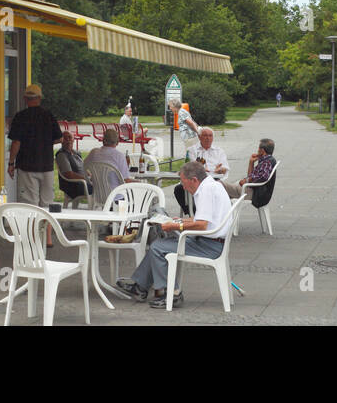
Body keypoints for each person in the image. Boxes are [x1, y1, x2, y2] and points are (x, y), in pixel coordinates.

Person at [114, 160, 232, 308]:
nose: (183, 186)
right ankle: (140, 287)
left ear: (194, 180)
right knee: (161, 243)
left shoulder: (205, 191)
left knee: (158, 247)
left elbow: (202, 225)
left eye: (184, 182)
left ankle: (172, 294)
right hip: (212, 241)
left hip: (210, 245)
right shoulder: (211, 185)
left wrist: (176, 226)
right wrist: (181, 220)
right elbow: (205, 219)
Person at [7, 84, 63, 234]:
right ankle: (48, 238)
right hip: (46, 166)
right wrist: (44, 141)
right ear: (39, 98)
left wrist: (11, 162)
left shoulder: (20, 117)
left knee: (30, 204)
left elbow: (16, 142)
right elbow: (59, 138)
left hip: (27, 166)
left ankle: (32, 236)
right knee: (47, 203)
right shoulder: (48, 115)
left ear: (25, 99)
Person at [174, 127, 228, 214]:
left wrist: (221, 169)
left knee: (215, 188)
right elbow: (191, 168)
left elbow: (225, 168)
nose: (208, 138)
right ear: (199, 137)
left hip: (213, 181)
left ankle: (207, 213)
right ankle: (193, 213)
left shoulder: (219, 151)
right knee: (179, 189)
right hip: (195, 180)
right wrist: (212, 169)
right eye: (205, 135)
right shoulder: (192, 150)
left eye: (210, 136)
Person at [85, 127, 131, 199]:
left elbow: (83, 167)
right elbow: (126, 180)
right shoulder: (119, 156)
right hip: (116, 196)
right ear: (117, 142)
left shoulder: (93, 152)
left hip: (98, 195)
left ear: (103, 140)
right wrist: (139, 182)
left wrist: (92, 176)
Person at [55, 132, 91, 202]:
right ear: (61, 140)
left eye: (70, 137)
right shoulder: (62, 155)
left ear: (73, 139)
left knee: (102, 183)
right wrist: (86, 179)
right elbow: (69, 174)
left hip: (84, 181)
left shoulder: (76, 153)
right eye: (65, 138)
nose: (68, 140)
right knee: (100, 187)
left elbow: (83, 168)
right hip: (74, 185)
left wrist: (90, 175)